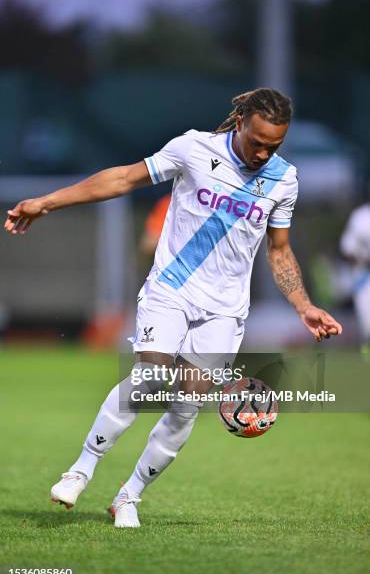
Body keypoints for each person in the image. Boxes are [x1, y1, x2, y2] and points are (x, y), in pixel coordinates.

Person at [4, 88, 342, 528]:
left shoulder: (284, 180)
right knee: (151, 377)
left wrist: (303, 305)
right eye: (257, 141)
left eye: (272, 145)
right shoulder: (193, 148)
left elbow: (278, 251)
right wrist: (47, 202)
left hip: (224, 309)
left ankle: (129, 496)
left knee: (186, 406)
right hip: (171, 290)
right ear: (240, 122)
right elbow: (123, 179)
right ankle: (80, 470)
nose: (262, 152)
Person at [340, 198, 370, 353]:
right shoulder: (360, 217)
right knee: (367, 325)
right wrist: (363, 260)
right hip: (365, 277)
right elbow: (347, 249)